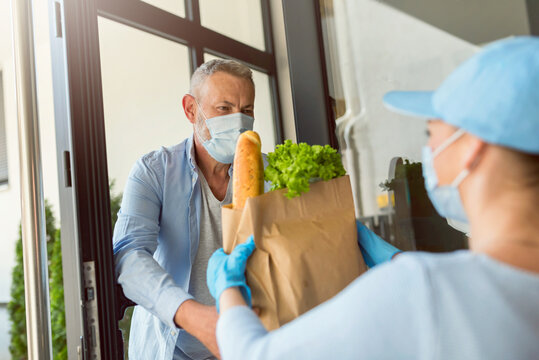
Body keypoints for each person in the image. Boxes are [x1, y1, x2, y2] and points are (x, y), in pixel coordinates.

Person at [206, 36, 539, 359]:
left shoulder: (424, 291)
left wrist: (229, 291)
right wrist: (399, 261)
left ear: (472, 148)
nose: (429, 149)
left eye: (431, 131)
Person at [113, 59, 264, 360]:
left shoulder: (269, 173)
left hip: (248, 341)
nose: (238, 121)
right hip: (172, 348)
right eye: (224, 108)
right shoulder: (153, 171)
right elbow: (129, 256)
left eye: (246, 110)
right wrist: (194, 316)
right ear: (191, 110)